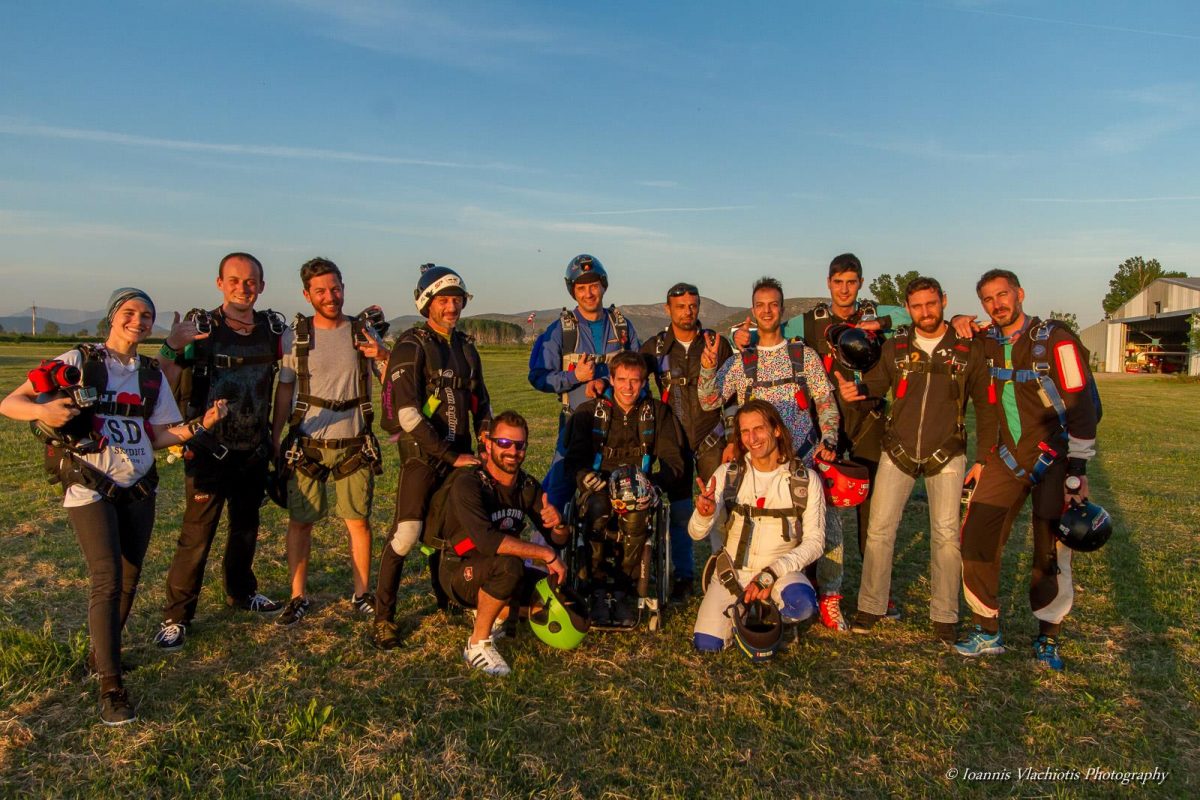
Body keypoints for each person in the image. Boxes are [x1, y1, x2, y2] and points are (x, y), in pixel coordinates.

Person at [0, 288, 228, 725]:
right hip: (89, 484)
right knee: (106, 578)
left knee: (129, 577)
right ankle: (111, 685)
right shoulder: (79, 359)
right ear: (113, 317)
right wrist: (42, 413)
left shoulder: (148, 374)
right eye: (130, 312)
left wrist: (200, 425)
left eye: (146, 315)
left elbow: (158, 435)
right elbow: (11, 401)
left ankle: (101, 657)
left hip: (138, 485)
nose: (138, 320)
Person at [955, 269, 1100, 670]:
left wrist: (1077, 471)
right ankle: (988, 630)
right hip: (1005, 458)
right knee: (976, 540)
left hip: (1055, 459)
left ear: (1020, 294)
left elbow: (1081, 404)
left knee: (1050, 551)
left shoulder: (1056, 339)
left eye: (1003, 295)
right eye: (987, 299)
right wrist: (957, 320)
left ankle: (1048, 637)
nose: (996, 304)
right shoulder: (986, 342)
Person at [837, 276, 990, 642]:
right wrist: (854, 390)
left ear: (944, 301)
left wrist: (983, 457)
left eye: (932, 303)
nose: (925, 312)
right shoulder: (897, 347)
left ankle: (945, 616)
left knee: (946, 537)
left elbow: (985, 406)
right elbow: (874, 385)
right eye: (918, 305)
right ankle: (871, 605)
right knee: (879, 531)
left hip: (947, 451)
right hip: (898, 449)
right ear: (908, 308)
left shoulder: (968, 348)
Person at [152, 252, 286, 652]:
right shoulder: (202, 328)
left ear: (262, 286)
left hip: (253, 446)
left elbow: (288, 377)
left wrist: (274, 438)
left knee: (246, 528)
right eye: (234, 280)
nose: (243, 288)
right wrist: (173, 345)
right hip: (209, 449)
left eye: (250, 281)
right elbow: (163, 378)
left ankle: (242, 592)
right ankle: (177, 616)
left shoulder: (271, 329)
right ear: (219, 283)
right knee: (197, 536)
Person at [698, 276, 845, 629]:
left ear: (781, 308)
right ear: (753, 310)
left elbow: (825, 401)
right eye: (760, 305)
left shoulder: (802, 355)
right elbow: (709, 400)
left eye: (773, 304)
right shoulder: (740, 362)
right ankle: (742, 587)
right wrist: (707, 365)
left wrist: (829, 440)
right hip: (759, 467)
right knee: (754, 528)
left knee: (830, 531)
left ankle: (830, 598)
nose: (767, 311)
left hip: (804, 460)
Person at [371, 264, 492, 649]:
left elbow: (481, 402)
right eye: (444, 299)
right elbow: (406, 414)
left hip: (461, 455)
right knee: (407, 535)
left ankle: (449, 598)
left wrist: (486, 438)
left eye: (457, 299)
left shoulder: (466, 346)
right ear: (427, 303)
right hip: (423, 455)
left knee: (456, 532)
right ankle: (383, 618)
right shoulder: (412, 344)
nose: (452, 306)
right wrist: (448, 455)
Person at [272, 257, 388, 626]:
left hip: (354, 441)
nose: (330, 296)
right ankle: (297, 596)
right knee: (301, 522)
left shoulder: (362, 333)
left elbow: (389, 380)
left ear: (344, 288)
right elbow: (284, 389)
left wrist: (381, 355)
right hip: (307, 442)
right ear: (307, 295)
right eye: (320, 290)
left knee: (358, 521)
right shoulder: (295, 337)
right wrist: (275, 437)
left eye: (335, 288)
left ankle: (361, 593)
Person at [437, 411, 568, 675]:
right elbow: (487, 542)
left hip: (499, 568)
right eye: (504, 443)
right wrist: (545, 554)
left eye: (519, 445)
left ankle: (495, 612)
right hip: (459, 570)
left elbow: (558, 540)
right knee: (510, 566)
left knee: (552, 595)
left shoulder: (527, 485)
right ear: (488, 444)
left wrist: (559, 524)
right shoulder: (469, 483)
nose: (512, 451)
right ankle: (477, 643)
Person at [688, 400, 825, 652]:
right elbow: (696, 534)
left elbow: (815, 543)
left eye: (759, 429)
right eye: (745, 432)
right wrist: (703, 514)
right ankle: (742, 607)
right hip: (734, 573)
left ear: (776, 430)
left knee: (801, 604)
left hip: (780, 573)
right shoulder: (728, 474)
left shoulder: (804, 479)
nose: (752, 438)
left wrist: (770, 574)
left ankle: (773, 612)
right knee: (707, 644)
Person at [561, 350, 684, 625]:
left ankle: (623, 587)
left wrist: (653, 484)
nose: (629, 387)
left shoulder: (657, 413)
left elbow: (674, 463)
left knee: (636, 509)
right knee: (597, 506)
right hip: (600, 484)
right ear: (612, 380)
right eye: (623, 379)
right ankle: (597, 584)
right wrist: (584, 478)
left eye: (636, 380)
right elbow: (572, 462)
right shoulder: (589, 412)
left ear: (643, 382)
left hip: (639, 487)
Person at [639, 282, 736, 601]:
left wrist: (733, 438)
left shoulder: (716, 344)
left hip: (713, 437)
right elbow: (635, 386)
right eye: (680, 306)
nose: (687, 311)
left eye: (692, 305)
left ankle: (726, 572)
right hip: (674, 440)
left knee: (721, 508)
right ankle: (683, 575)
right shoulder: (654, 348)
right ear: (668, 309)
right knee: (680, 512)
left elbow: (732, 395)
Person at [529, 254, 642, 510]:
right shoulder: (561, 331)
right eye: (581, 288)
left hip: (619, 428)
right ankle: (545, 546)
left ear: (603, 286)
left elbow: (639, 374)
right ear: (573, 292)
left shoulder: (622, 328)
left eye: (593, 286)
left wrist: (606, 383)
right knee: (558, 494)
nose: (589, 293)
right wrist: (574, 377)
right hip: (575, 426)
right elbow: (537, 376)